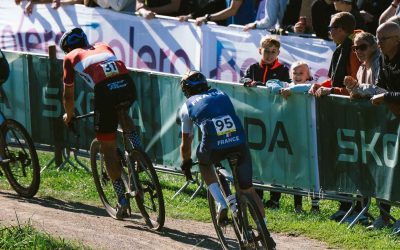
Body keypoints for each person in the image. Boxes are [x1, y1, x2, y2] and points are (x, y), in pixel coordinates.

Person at [178, 70, 276, 247]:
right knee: (249, 190)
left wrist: (185, 162)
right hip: (238, 142)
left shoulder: (186, 106)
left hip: (213, 145)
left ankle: (220, 202)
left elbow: (186, 142)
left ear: (186, 90)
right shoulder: (221, 93)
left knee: (204, 162)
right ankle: (265, 231)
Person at [60, 28, 139, 220]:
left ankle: (121, 198)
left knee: (108, 147)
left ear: (67, 48)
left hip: (104, 92)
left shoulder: (70, 57)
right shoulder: (104, 45)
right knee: (122, 112)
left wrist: (68, 116)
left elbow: (68, 96)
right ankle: (138, 152)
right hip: (127, 84)